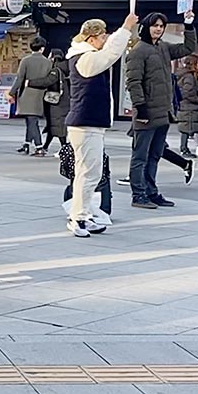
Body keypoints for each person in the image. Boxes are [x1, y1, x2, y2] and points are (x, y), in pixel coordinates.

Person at [65, 15, 137, 237]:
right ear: (92, 38)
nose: (105, 39)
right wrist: (125, 28)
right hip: (85, 124)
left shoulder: (85, 56)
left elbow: (108, 54)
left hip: (90, 123)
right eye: (103, 35)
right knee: (87, 174)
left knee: (90, 174)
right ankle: (78, 217)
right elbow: (110, 55)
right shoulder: (83, 58)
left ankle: (84, 215)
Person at [125, 10, 196, 209]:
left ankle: (151, 191)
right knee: (140, 156)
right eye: (155, 25)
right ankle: (138, 194)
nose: (158, 29)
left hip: (163, 112)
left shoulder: (163, 48)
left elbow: (188, 48)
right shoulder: (139, 51)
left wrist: (188, 26)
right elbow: (134, 81)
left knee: (155, 155)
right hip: (146, 113)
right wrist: (140, 107)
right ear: (147, 27)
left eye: (161, 26)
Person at [8, 36, 53, 156]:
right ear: (42, 48)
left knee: (32, 121)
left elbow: (20, 79)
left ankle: (39, 146)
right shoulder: (48, 62)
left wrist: (12, 92)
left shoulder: (26, 60)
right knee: (31, 120)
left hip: (27, 94)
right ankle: (27, 143)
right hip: (40, 94)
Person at [40, 46, 70, 154]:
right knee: (54, 126)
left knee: (57, 126)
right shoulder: (66, 68)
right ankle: (45, 147)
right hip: (63, 101)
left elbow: (48, 82)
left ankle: (64, 149)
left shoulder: (56, 70)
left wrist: (31, 82)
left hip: (57, 102)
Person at [175, 54, 198, 158]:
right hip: (189, 106)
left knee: (187, 127)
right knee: (187, 127)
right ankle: (184, 149)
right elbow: (187, 92)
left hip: (186, 106)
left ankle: (184, 148)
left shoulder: (187, 75)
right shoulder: (189, 76)